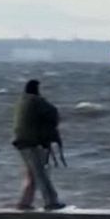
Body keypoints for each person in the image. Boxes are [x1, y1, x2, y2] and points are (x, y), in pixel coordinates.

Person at [12, 79, 66, 210]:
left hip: (20, 142)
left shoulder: (21, 102)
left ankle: (24, 203)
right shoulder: (36, 101)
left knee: (31, 175)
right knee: (41, 174)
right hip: (31, 143)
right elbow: (53, 112)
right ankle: (51, 201)